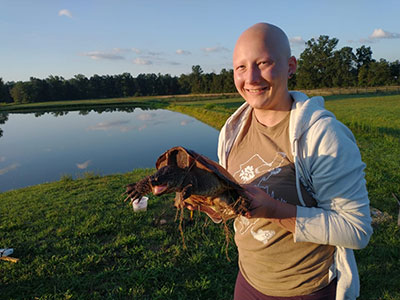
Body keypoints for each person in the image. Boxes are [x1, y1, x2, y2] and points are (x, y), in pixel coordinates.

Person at [215, 23, 373, 300]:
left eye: (263, 63)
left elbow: (356, 230)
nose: (250, 78)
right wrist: (206, 198)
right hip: (248, 280)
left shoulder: (322, 135)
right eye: (241, 67)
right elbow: (236, 204)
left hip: (306, 289)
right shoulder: (232, 129)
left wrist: (275, 210)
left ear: (290, 66)